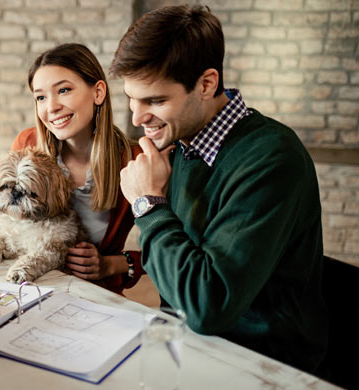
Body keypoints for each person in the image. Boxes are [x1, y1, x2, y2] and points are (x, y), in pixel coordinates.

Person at [111, 5, 327, 374]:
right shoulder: (179, 143)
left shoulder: (272, 158)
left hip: (263, 364)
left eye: (155, 100)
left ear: (207, 84)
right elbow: (175, 282)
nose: (136, 118)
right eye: (132, 98)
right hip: (187, 344)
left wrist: (148, 205)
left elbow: (207, 307)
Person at [0, 43, 143, 294]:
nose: (51, 107)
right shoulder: (28, 143)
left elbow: (170, 249)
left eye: (63, 90)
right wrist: (5, 222)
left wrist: (111, 264)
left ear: (98, 92)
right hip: (27, 287)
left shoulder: (134, 161)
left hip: (90, 295)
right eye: (41, 97)